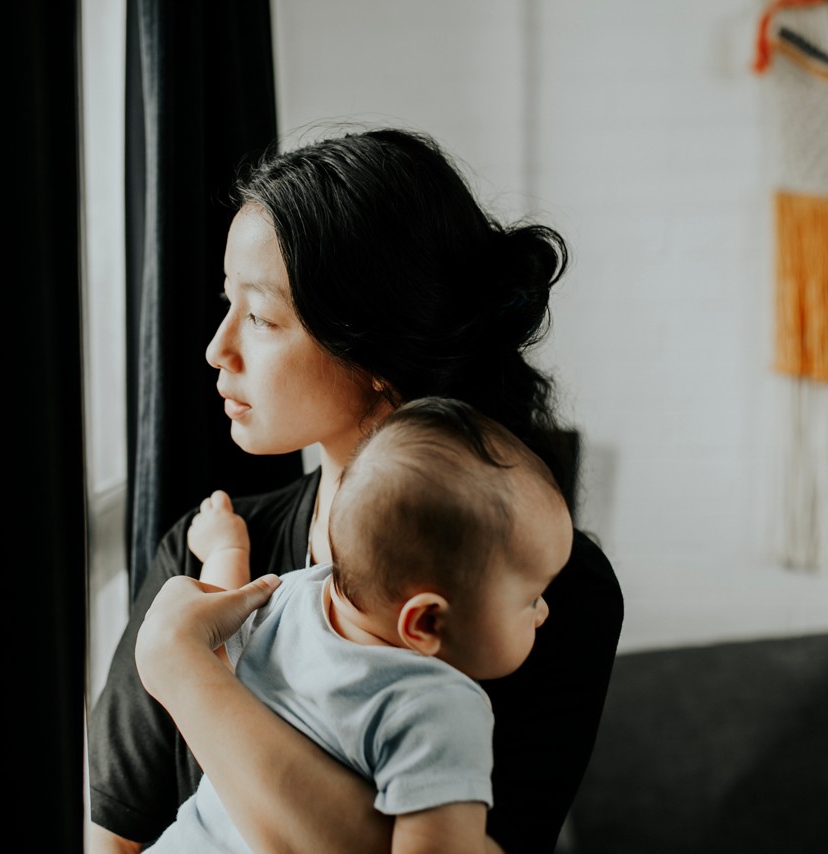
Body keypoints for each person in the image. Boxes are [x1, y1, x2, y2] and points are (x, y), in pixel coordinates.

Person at [87, 127, 624, 854]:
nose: (217, 348)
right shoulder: (203, 548)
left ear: (373, 349)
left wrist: (182, 670)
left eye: (261, 316)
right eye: (226, 302)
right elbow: (113, 842)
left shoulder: (539, 590)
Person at [141, 397, 574, 852]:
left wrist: (226, 552)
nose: (544, 611)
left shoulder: (295, 593)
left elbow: (217, 634)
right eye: (530, 598)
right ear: (426, 622)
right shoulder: (441, 709)